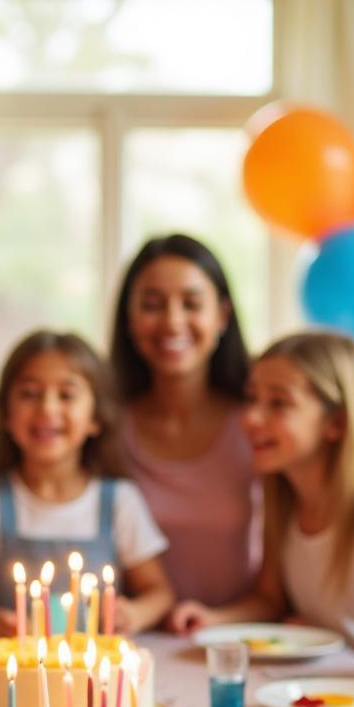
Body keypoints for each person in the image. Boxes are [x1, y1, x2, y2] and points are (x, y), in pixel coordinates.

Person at [170, 332, 354, 674]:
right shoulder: (282, 503)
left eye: (278, 403)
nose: (250, 418)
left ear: (336, 422)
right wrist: (215, 619)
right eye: (252, 399)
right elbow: (270, 599)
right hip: (324, 690)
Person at [0, 331, 174, 636]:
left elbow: (160, 593)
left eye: (66, 395)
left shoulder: (119, 500)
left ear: (96, 418)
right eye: (29, 394)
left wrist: (135, 613)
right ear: (6, 414)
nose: (47, 409)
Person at [109, 235, 259, 613]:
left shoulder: (258, 427)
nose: (173, 322)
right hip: (129, 647)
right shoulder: (104, 428)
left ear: (222, 316)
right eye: (152, 305)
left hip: (236, 641)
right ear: (129, 319)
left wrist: (216, 623)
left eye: (191, 303)